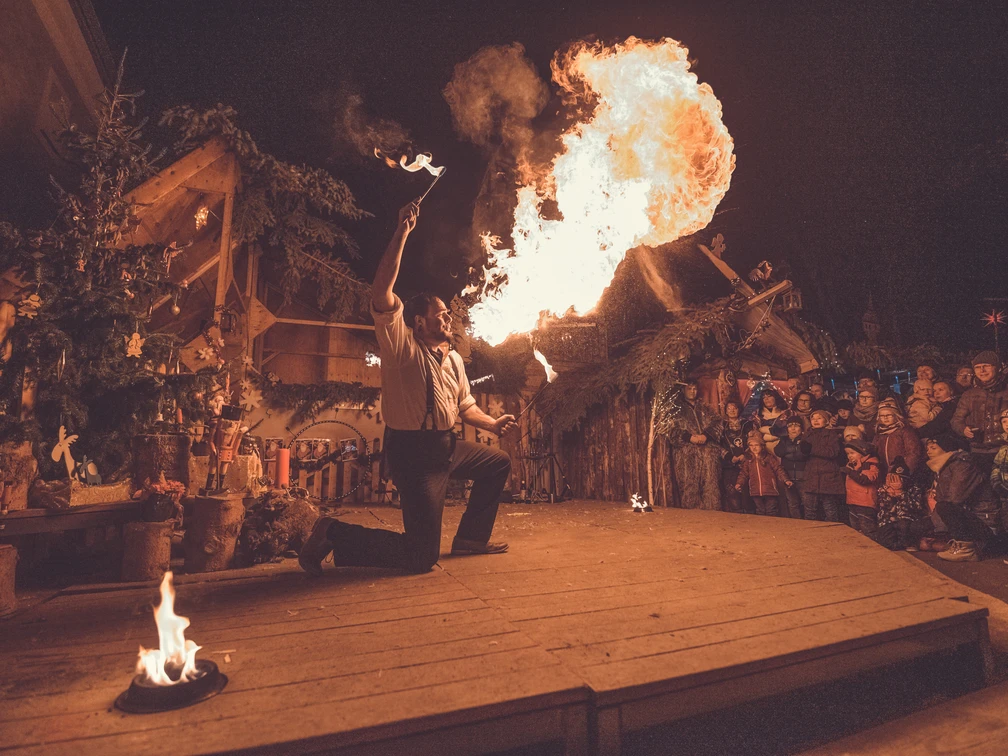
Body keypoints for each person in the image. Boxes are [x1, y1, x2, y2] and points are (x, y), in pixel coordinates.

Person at [299, 200, 517, 576]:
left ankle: (470, 539)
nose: (448, 318)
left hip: (447, 448)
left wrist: (493, 425)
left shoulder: (452, 359)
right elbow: (382, 289)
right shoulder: (400, 347)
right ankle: (333, 532)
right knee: (420, 557)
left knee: (497, 463)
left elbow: (465, 406)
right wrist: (402, 232)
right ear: (418, 322)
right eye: (441, 314)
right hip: (414, 457)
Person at [924, 432, 1000, 562]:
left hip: (986, 523)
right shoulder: (944, 466)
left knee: (945, 507)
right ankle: (953, 543)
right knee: (917, 527)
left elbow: (955, 498)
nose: (928, 451)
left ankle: (966, 548)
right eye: (928, 448)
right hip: (972, 518)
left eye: (934, 448)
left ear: (946, 449)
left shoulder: (962, 465)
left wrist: (937, 500)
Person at [668, 381, 724, 510]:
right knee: (689, 483)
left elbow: (717, 422)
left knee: (711, 483)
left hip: (708, 451)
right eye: (689, 388)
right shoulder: (676, 409)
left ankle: (713, 513)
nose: (692, 391)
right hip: (687, 452)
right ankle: (692, 515)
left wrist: (706, 435)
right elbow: (671, 429)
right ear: (683, 390)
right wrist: (689, 437)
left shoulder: (705, 407)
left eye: (694, 388)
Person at [951, 350, 1008, 474]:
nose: (982, 370)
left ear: (997, 368)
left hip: (1004, 450)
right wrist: (963, 429)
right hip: (978, 452)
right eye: (977, 367)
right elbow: (956, 420)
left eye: (986, 366)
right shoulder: (969, 395)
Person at [875, 456, 927, 551]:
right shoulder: (884, 489)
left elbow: (917, 507)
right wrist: (889, 493)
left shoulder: (914, 490)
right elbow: (883, 507)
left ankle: (909, 543)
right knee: (885, 541)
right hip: (888, 519)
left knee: (904, 527)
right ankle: (896, 544)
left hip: (907, 519)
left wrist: (901, 494)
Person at [803, 410, 847, 522]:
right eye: (813, 418)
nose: (816, 421)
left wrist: (811, 449)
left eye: (819, 418)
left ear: (826, 420)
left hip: (828, 476)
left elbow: (833, 452)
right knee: (809, 509)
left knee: (830, 508)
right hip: (812, 476)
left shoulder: (831, 434)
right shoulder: (807, 434)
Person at [735, 434, 793, 516]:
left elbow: (778, 469)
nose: (754, 448)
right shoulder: (748, 460)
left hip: (770, 490)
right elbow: (744, 473)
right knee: (760, 511)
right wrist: (739, 483)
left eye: (756, 445)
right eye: (751, 445)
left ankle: (771, 527)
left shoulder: (769, 457)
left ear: (762, 446)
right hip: (755, 490)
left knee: (771, 511)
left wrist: (786, 480)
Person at [873, 399, 923, 478]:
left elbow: (913, 452)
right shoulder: (879, 434)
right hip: (884, 473)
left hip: (901, 472)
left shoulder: (905, 431)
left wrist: (904, 471)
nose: (885, 418)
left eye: (889, 415)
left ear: (896, 415)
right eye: (882, 416)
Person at [842, 438, 881, 537]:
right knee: (855, 527)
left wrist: (850, 472)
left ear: (862, 452)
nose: (849, 456)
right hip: (853, 501)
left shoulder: (870, 464)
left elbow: (866, 479)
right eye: (847, 454)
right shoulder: (851, 465)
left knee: (867, 528)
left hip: (865, 503)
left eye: (852, 453)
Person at [720, 400, 752, 514]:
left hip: (745, 463)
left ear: (739, 410)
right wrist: (729, 457)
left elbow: (754, 440)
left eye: (735, 408)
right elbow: (716, 445)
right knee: (731, 492)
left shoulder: (747, 424)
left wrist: (746, 454)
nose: (732, 410)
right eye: (729, 408)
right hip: (728, 464)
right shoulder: (721, 425)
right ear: (726, 411)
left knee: (746, 492)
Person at [774, 416, 810, 518]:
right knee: (792, 504)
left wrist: (789, 452)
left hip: (804, 477)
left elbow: (803, 455)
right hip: (788, 477)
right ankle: (796, 524)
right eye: (790, 426)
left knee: (807, 503)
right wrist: (793, 448)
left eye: (796, 426)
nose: (793, 428)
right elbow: (779, 452)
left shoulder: (805, 441)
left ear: (801, 428)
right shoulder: (784, 440)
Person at [751, 387, 788, 453]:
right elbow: (755, 434)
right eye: (764, 397)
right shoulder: (757, 415)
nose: (766, 399)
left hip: (783, 449)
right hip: (764, 451)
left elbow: (788, 432)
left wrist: (764, 430)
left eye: (769, 396)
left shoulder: (786, 413)